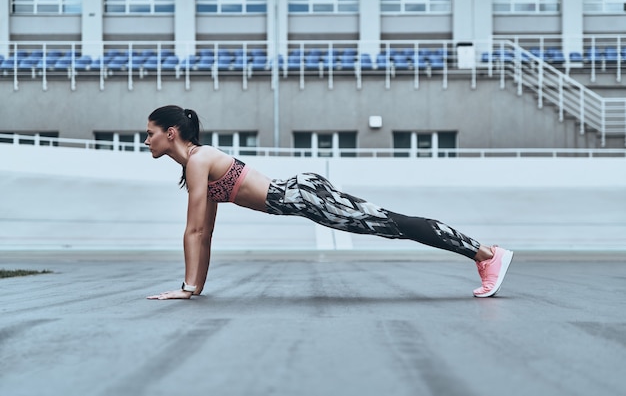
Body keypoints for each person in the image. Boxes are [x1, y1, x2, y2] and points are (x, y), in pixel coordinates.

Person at [145, 105, 514, 300]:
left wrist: (188, 289)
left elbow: (193, 230)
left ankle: (486, 254)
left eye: (151, 134)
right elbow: (204, 235)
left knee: (394, 225)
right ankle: (485, 254)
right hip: (302, 195)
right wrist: (194, 288)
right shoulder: (199, 165)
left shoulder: (199, 160)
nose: (147, 141)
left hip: (303, 195)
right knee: (392, 224)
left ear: (171, 133)